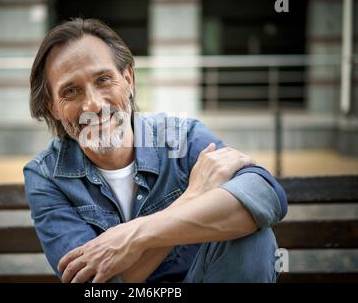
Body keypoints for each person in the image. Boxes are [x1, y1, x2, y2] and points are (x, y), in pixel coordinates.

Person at [24, 18, 287, 283]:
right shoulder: (46, 175)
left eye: (103, 79)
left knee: (251, 234)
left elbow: (266, 196)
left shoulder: (181, 137)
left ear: (128, 80)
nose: (92, 105)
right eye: (71, 91)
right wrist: (192, 196)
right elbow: (96, 285)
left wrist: (137, 235)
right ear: (53, 108)